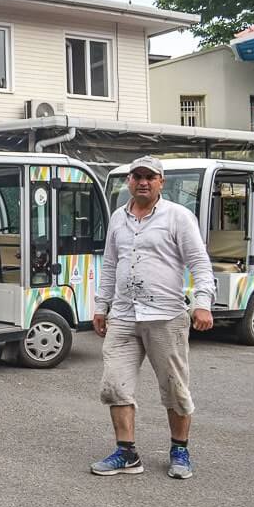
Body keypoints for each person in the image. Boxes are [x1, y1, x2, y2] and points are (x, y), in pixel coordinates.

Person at [91, 155, 214, 480]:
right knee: (115, 385)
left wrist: (203, 302)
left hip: (166, 316)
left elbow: (200, 263)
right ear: (128, 181)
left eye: (150, 176)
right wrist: (101, 306)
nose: (142, 181)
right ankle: (127, 453)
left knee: (174, 387)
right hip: (124, 315)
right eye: (137, 176)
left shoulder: (178, 217)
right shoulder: (119, 217)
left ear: (161, 182)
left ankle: (180, 449)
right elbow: (110, 264)